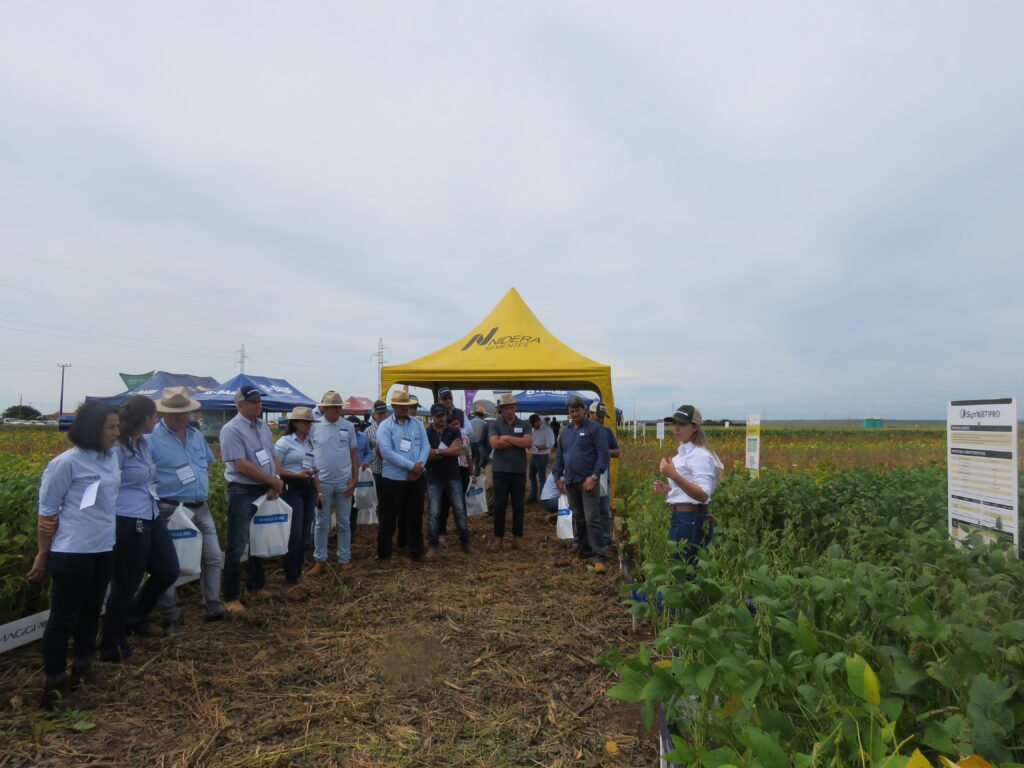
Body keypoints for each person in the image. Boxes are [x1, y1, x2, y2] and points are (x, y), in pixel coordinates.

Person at [28, 402, 120, 709]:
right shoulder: (66, 464)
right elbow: (47, 514)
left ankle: (83, 667)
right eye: (111, 427)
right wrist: (44, 553)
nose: (116, 433)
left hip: (103, 547)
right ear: (93, 429)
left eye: (118, 427)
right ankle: (54, 687)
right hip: (72, 551)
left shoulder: (111, 458)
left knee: (93, 610)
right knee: (63, 618)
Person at [100, 395, 181, 661]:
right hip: (126, 518)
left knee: (168, 570)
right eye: (154, 416)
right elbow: (108, 486)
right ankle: (112, 645)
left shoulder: (144, 444)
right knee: (125, 583)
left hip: (150, 512)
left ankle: (135, 616)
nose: (156, 420)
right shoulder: (118, 450)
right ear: (144, 419)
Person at [149, 387, 224, 632]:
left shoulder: (195, 436)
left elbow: (206, 465)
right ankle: (170, 614)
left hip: (200, 507)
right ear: (164, 413)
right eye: (175, 413)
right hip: (168, 509)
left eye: (185, 413)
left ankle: (213, 606)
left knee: (212, 557)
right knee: (170, 564)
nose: (181, 417)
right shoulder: (151, 439)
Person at [219, 385, 283, 614]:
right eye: (253, 401)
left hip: (263, 489)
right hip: (242, 491)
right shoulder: (231, 429)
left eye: (259, 400)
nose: (259, 404)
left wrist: (274, 479)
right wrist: (272, 481)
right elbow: (240, 465)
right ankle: (231, 595)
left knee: (259, 539)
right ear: (239, 405)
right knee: (236, 544)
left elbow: (273, 454)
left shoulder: (263, 426)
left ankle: (255, 586)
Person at [653, 405, 721, 567]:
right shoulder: (681, 454)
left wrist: (674, 475)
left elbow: (703, 494)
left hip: (691, 520)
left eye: (682, 424)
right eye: (675, 423)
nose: (676, 427)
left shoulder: (700, 455)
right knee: (678, 566)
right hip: (681, 518)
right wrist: (668, 489)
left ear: (695, 427)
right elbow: (688, 492)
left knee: (684, 569)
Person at [551, 395, 610, 573]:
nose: (575, 414)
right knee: (578, 516)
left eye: (577, 410)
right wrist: (557, 476)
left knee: (592, 517)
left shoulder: (595, 429)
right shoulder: (565, 432)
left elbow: (603, 455)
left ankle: (599, 554)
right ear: (568, 413)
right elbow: (560, 456)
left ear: (584, 410)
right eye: (571, 411)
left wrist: (594, 476)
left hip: (588, 481)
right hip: (570, 481)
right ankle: (583, 550)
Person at [307, 391, 359, 575]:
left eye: (338, 407)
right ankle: (320, 559)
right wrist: (314, 482)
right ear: (324, 408)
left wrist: (355, 479)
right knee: (321, 523)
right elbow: (309, 453)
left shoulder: (348, 426)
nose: (335, 410)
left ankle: (344, 559)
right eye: (331, 407)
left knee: (344, 523)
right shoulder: (314, 426)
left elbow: (353, 453)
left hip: (344, 481)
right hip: (323, 482)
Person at [375, 388, 429, 567]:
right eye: (402, 406)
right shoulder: (385, 426)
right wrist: (411, 466)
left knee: (416, 516)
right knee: (389, 517)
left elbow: (426, 446)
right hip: (394, 479)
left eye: (408, 406)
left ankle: (416, 553)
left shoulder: (417, 424)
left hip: (417, 477)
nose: (406, 409)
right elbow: (387, 453)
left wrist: (419, 466)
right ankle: (384, 555)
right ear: (395, 406)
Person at [275, 407, 321, 598]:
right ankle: (290, 578)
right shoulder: (284, 443)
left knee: (304, 534)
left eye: (309, 422)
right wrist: (295, 474)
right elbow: (275, 468)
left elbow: (315, 468)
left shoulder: (310, 442)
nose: (308, 425)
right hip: (291, 487)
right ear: (294, 423)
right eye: (304, 422)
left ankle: (297, 574)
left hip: (308, 486)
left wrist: (318, 491)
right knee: (295, 534)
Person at [423, 404, 471, 557]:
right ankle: (433, 545)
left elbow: (457, 451)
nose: (442, 418)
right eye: (438, 416)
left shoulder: (454, 430)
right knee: (434, 513)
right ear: (432, 417)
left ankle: (465, 542)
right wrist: (447, 452)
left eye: (443, 415)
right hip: (434, 478)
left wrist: (436, 451)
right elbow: (426, 455)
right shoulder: (426, 432)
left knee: (460, 511)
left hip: (453, 476)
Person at [486, 393, 533, 551]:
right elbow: (495, 445)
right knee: (499, 506)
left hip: (519, 471)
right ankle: (498, 538)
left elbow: (528, 442)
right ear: (501, 409)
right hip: (500, 471)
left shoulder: (525, 423)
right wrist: (517, 441)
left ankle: (517, 538)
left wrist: (506, 437)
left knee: (518, 506)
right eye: (506, 408)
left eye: (512, 407)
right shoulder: (494, 424)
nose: (510, 410)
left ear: (515, 408)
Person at [588, 402, 620, 548]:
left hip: (602, 475)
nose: (601, 419)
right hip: (586, 475)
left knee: (603, 509)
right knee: (588, 510)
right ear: (590, 414)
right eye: (598, 416)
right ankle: (588, 541)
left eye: (602, 416)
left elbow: (617, 452)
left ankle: (605, 540)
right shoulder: (583, 430)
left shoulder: (607, 432)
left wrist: (605, 451)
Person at [527, 414, 554, 502]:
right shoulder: (533, 429)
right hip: (534, 455)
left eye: (534, 425)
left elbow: (550, 444)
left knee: (542, 476)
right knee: (531, 475)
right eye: (532, 425)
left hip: (542, 456)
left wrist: (538, 447)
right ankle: (533, 496)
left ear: (538, 421)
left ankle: (543, 497)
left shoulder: (547, 430)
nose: (534, 427)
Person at [468, 407, 489, 475]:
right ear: (482, 415)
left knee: (469, 459)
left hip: (470, 443)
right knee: (477, 461)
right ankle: (476, 475)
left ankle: (469, 474)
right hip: (479, 444)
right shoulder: (485, 423)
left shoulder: (469, 422)